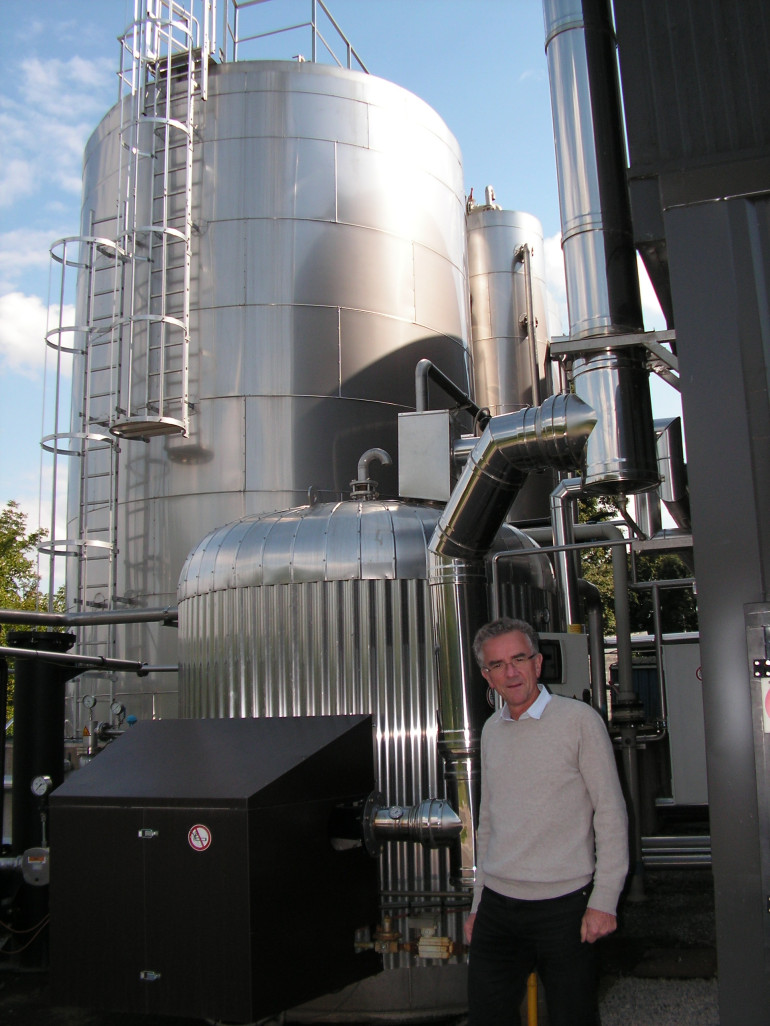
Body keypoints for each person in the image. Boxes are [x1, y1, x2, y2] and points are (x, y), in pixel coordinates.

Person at [464, 617, 628, 1026]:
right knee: (487, 1018)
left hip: (565, 908)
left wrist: (604, 899)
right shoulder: (491, 731)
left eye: (518, 659)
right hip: (498, 909)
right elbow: (488, 822)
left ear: (538, 663)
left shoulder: (579, 721)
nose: (511, 672)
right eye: (498, 665)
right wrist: (478, 903)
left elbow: (610, 812)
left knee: (574, 1017)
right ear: (487, 675)